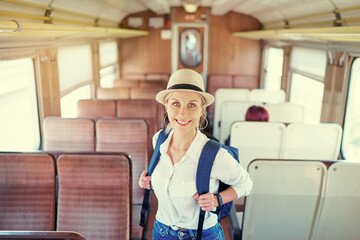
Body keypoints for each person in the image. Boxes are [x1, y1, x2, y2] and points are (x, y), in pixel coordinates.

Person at [138, 69, 253, 240]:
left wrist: (218, 199)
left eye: (192, 105)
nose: (183, 113)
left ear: (202, 110)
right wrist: (148, 180)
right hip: (161, 231)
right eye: (176, 104)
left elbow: (246, 184)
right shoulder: (159, 140)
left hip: (202, 234)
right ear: (166, 107)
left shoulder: (215, 155)